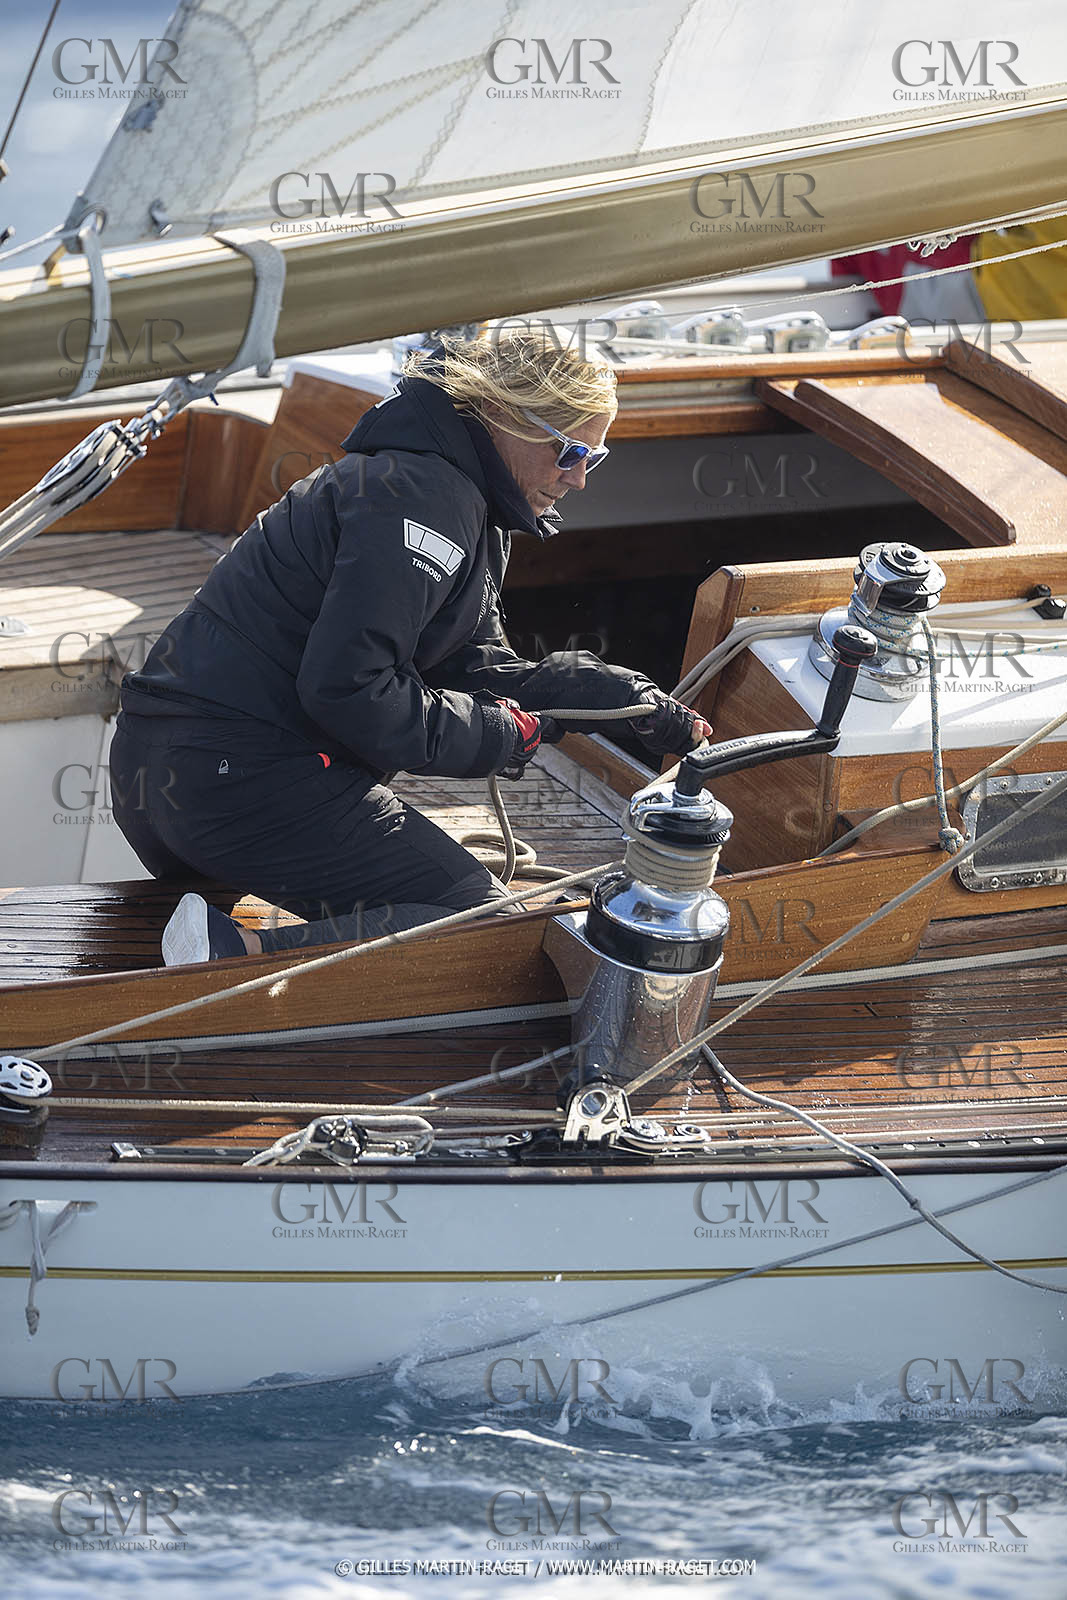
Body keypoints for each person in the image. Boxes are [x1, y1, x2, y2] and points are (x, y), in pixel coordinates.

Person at [109, 333, 711, 966]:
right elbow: (351, 688)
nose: (579, 478)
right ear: (503, 417)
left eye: (595, 457)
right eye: (569, 450)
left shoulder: (438, 487)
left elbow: (469, 666)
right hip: (237, 781)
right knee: (476, 917)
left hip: (173, 774)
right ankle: (233, 955)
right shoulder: (428, 497)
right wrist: (501, 736)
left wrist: (611, 696)